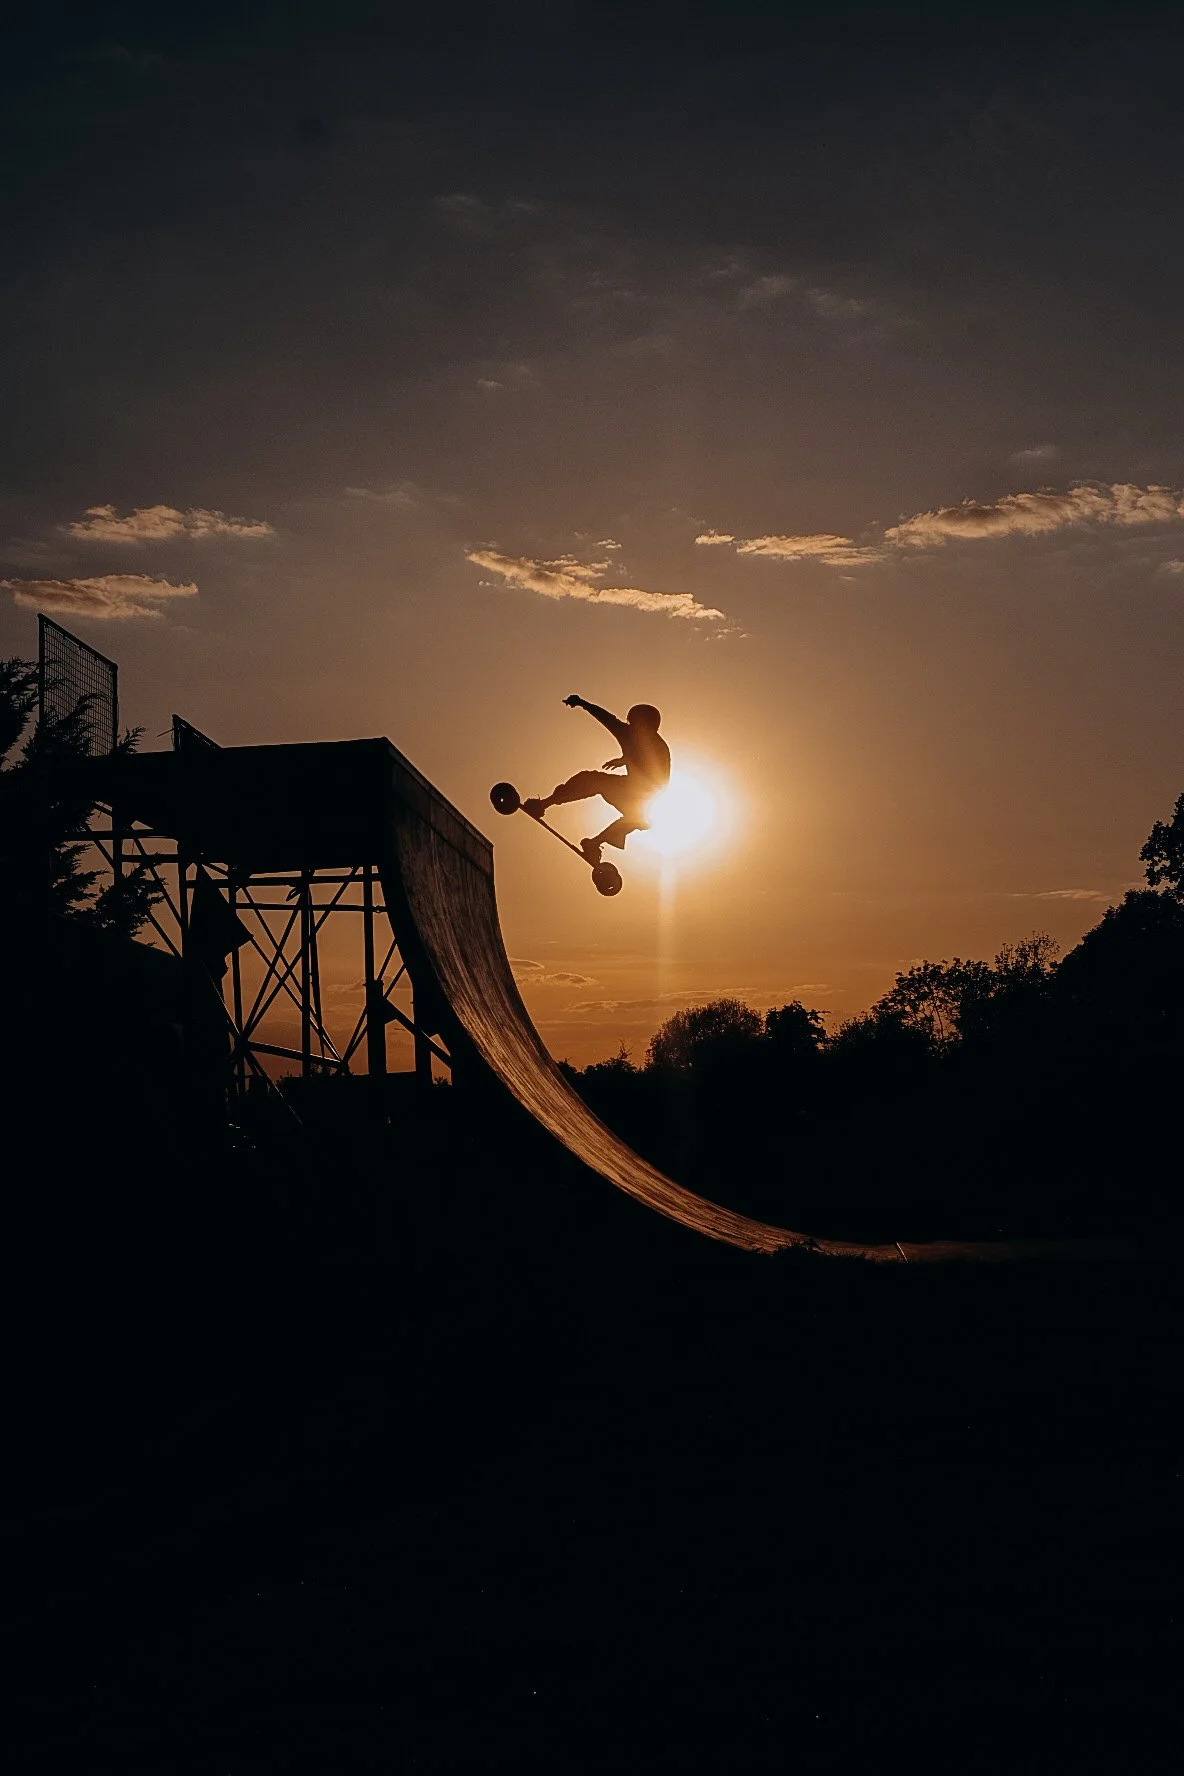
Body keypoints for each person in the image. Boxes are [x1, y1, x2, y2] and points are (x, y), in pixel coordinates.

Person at [524, 695, 670, 864]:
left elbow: (658, 778)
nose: (632, 728)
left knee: (635, 815)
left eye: (635, 724)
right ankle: (544, 805)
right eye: (631, 724)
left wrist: (626, 761)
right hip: (634, 793)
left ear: (648, 725)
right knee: (590, 780)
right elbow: (607, 718)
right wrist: (582, 703)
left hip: (645, 796)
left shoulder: (657, 747)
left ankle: (594, 843)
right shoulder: (631, 734)